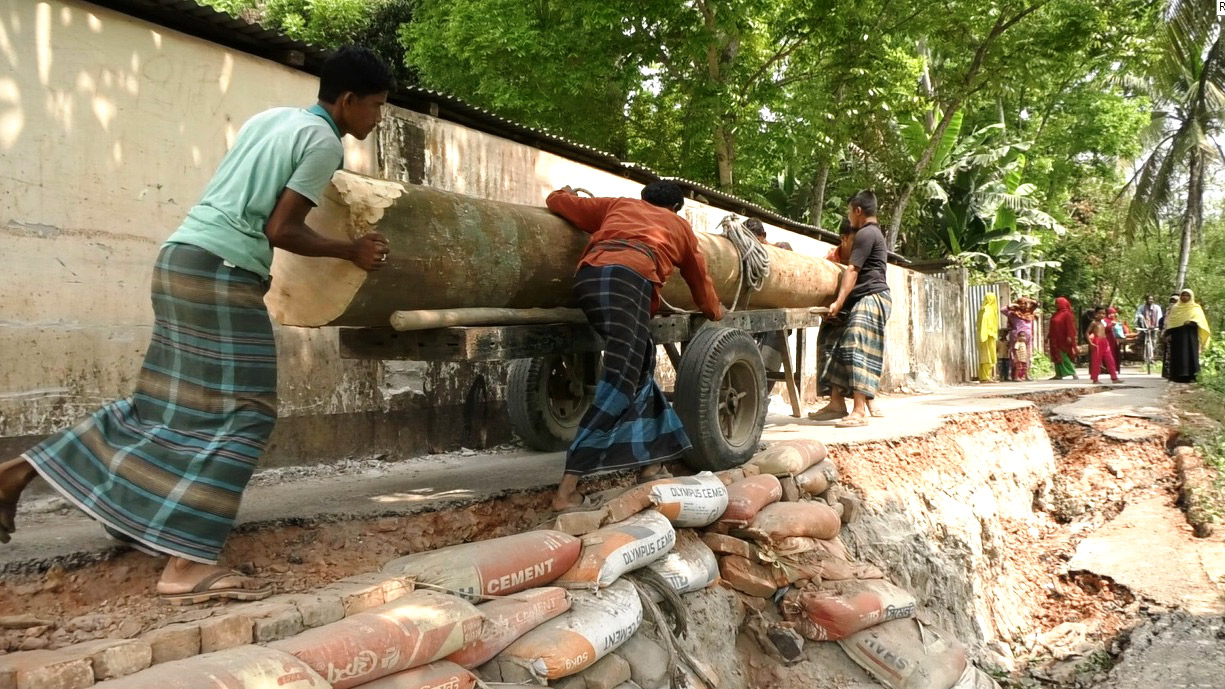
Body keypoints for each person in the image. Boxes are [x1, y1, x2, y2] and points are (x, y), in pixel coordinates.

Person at [0, 47, 395, 603]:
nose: (377, 119)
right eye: (376, 106)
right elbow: (282, 228)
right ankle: (185, 566)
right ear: (348, 100)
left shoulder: (270, 119)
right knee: (247, 413)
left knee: (162, 407)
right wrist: (349, 249)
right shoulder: (323, 141)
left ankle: (18, 474)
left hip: (180, 257)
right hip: (222, 273)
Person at [544, 181, 723, 510]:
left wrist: (562, 193)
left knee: (641, 363)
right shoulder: (680, 227)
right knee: (621, 379)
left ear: (644, 198)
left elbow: (559, 203)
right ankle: (566, 491)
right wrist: (714, 311)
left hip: (588, 281)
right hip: (628, 283)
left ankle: (650, 464)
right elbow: (699, 277)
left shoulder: (619, 205)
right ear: (675, 209)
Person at [810, 191, 891, 428]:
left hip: (872, 297)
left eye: (849, 211)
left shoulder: (866, 233)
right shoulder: (872, 233)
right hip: (861, 297)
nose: (849, 217)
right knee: (834, 341)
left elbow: (853, 270)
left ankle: (858, 411)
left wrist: (838, 302)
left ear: (858, 211)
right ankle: (836, 403)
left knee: (855, 345)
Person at [1163, 289, 1212, 383]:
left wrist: (1191, 322)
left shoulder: (1195, 308)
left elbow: (1201, 321)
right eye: (1183, 295)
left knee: (1191, 354)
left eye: (1187, 296)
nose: (1185, 297)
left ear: (1191, 297)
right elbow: (1171, 322)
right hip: (1177, 336)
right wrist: (1167, 333)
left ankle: (1192, 376)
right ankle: (1177, 376)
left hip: (1190, 335)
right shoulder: (1175, 308)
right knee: (1178, 354)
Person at [1003, 298, 1038, 381]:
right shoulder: (1013, 313)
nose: (1023, 306)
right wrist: (1011, 305)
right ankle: (1016, 375)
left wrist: (1030, 301)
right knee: (1016, 357)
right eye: (1021, 304)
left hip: (1028, 338)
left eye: (1025, 304)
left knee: (1027, 356)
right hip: (1017, 338)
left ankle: (1026, 375)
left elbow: (1036, 305)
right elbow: (1003, 310)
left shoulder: (1029, 313)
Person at [1048, 296, 1080, 380]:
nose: (1056, 305)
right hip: (1054, 338)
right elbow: (1052, 326)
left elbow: (1070, 326)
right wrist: (1048, 336)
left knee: (1063, 355)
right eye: (1056, 303)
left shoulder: (1067, 314)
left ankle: (1073, 372)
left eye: (1058, 303)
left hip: (1063, 338)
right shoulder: (1056, 314)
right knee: (1056, 354)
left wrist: (1070, 336)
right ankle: (1058, 374)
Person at [1088, 307, 1121, 384]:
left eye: (1103, 313)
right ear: (1095, 314)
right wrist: (1090, 343)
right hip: (1097, 342)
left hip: (1105, 341)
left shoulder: (1103, 323)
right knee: (1096, 360)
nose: (1101, 315)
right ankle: (1095, 379)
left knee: (1110, 359)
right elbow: (1087, 333)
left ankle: (1114, 377)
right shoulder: (1093, 323)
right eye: (1099, 313)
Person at [976, 293, 1000, 382]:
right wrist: (984, 335)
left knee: (987, 356)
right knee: (987, 357)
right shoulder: (987, 310)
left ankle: (985, 376)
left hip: (988, 336)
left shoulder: (984, 310)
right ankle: (985, 377)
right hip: (987, 336)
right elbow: (983, 324)